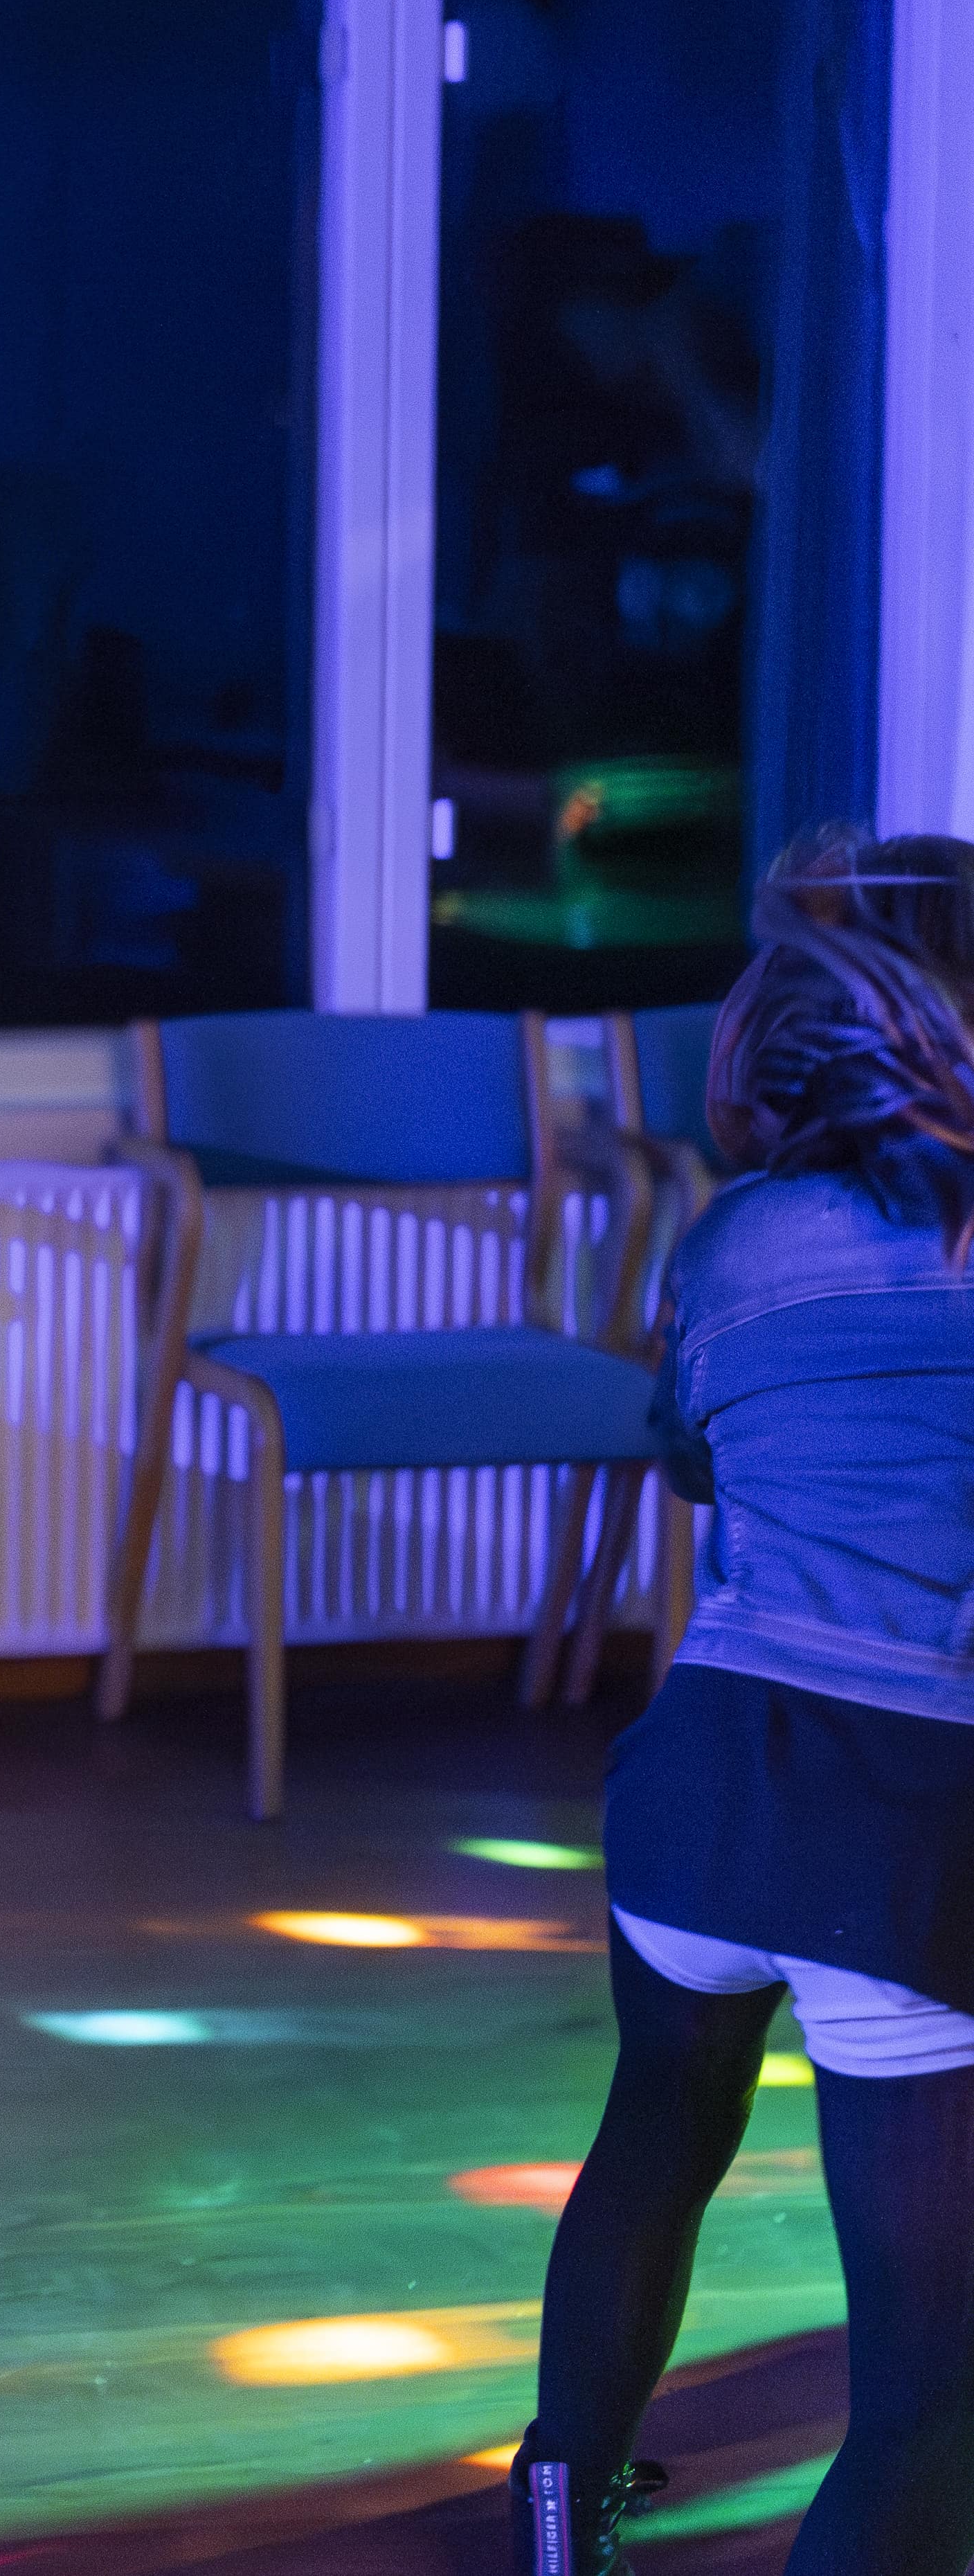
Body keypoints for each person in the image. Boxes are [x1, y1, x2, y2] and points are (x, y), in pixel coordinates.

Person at [509, 828, 974, 2576]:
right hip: (889, 1831)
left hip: (698, 1794)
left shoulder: (733, 1240)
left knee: (658, 2127)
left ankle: (559, 2517)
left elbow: (700, 1460)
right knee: (928, 2404)